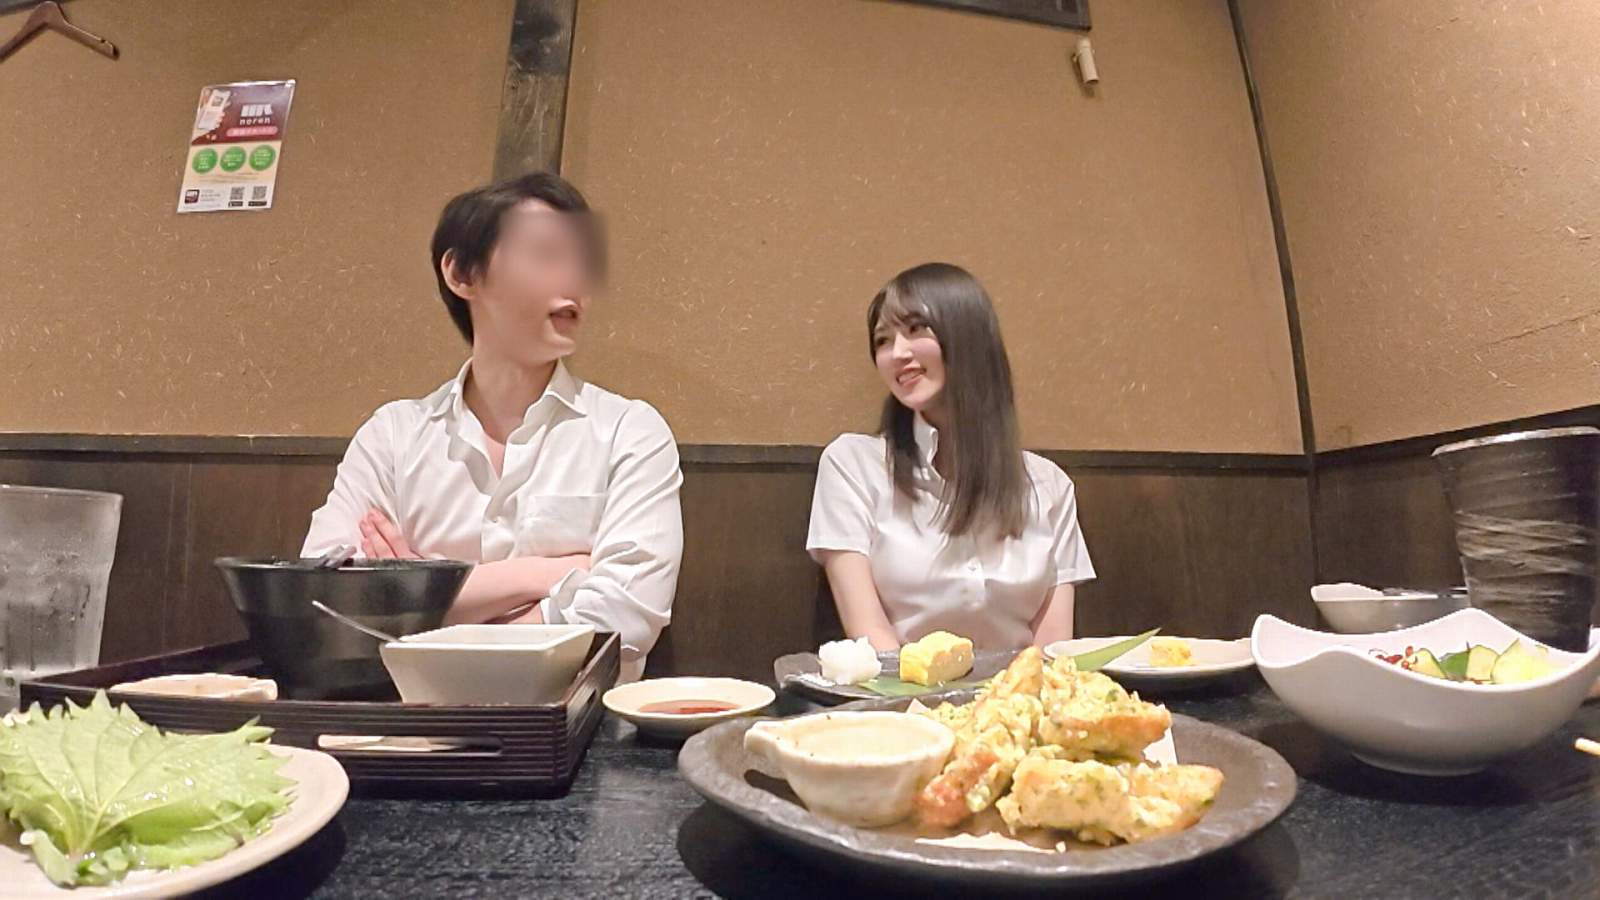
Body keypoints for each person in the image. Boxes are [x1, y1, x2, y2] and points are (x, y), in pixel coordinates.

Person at [302, 172, 683, 681]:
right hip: (407, 717)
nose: (576, 280)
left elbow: (627, 616)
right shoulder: (392, 435)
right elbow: (327, 600)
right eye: (547, 255)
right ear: (462, 273)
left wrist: (421, 599)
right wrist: (548, 574)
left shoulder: (629, 432)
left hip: (577, 722)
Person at [806, 262, 1094, 652]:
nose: (897, 353)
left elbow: (1054, 651)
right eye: (883, 340)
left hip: (1021, 691)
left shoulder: (1049, 485)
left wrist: (1021, 691)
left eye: (916, 329)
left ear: (968, 337)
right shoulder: (853, 465)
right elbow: (870, 636)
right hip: (899, 688)